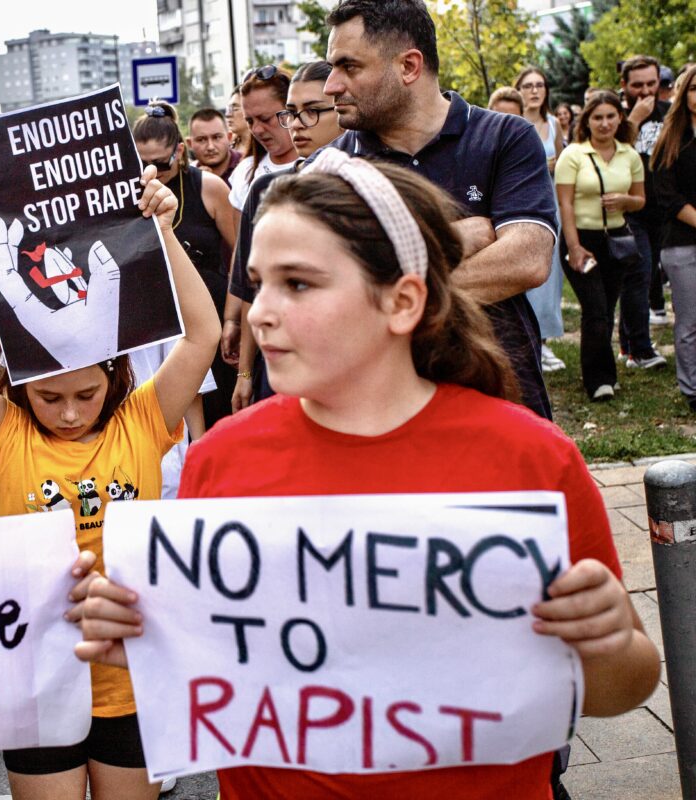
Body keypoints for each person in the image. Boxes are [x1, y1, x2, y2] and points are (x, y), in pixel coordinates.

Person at [76, 154, 660, 799]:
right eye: (259, 283)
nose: (261, 312)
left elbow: (623, 687)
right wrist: (143, 637)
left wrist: (604, 642)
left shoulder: (529, 458)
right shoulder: (222, 459)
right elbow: (213, 660)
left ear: (401, 301)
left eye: (298, 284)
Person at [0, 164, 220, 800]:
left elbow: (204, 335)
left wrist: (164, 233)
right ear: (21, 387)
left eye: (86, 394)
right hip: (37, 682)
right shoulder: (4, 434)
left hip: (131, 679)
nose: (69, 413)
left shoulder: (143, 419)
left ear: (114, 376)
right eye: (49, 398)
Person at [312, 0, 556, 420]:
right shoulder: (330, 169)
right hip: (382, 408)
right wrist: (456, 237)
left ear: (409, 66)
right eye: (332, 67)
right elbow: (327, 292)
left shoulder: (504, 136)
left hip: (500, 391)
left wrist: (386, 294)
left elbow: (526, 260)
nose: (331, 86)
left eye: (349, 67)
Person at [225, 60, 342, 412]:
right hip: (280, 368)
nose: (297, 124)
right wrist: (245, 372)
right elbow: (252, 289)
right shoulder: (262, 188)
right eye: (291, 113)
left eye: (312, 111)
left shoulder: (374, 186)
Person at [133, 102, 237, 427]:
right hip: (161, 323)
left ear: (179, 151)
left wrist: (233, 318)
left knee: (218, 412)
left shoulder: (209, 187)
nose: (152, 172)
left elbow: (239, 256)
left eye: (160, 163)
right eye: (143, 163)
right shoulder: (130, 194)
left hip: (211, 314)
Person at [556, 91, 646, 401]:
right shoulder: (574, 155)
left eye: (610, 116)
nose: (604, 123)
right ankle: (598, 381)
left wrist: (625, 200)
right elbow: (565, 204)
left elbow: (640, 200)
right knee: (594, 310)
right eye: (597, 117)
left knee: (606, 309)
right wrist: (574, 246)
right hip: (581, 238)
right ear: (587, 121)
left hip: (616, 240)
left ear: (620, 118)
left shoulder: (629, 155)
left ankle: (602, 371)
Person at [515, 67, 569, 373]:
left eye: (539, 85)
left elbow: (562, 164)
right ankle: (524, 340)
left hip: (549, 204)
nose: (534, 91)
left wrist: (553, 165)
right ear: (519, 90)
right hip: (521, 203)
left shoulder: (553, 124)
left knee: (549, 277)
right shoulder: (512, 121)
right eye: (528, 86)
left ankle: (544, 341)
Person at [651, 66, 696, 410]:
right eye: (694, 88)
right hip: (682, 243)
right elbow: (667, 197)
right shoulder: (671, 140)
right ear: (684, 94)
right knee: (690, 321)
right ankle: (692, 387)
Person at [622, 55, 672, 332]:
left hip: (667, 209)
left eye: (652, 83)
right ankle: (636, 346)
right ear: (624, 85)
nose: (645, 91)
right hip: (631, 210)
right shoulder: (614, 115)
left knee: (653, 275)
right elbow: (611, 154)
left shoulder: (670, 113)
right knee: (638, 277)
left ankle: (632, 344)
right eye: (637, 85)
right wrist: (634, 119)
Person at [227, 66, 300, 211]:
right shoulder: (245, 172)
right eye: (249, 121)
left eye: (265, 119)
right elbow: (238, 226)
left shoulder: (324, 163)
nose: (256, 130)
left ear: (291, 111)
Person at [186, 108, 242, 184]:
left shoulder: (249, 168)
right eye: (201, 140)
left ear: (229, 137)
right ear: (189, 144)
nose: (210, 147)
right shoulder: (186, 178)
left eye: (217, 137)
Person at [225, 90, 252, 157]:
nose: (228, 115)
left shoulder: (266, 147)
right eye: (228, 109)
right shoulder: (227, 148)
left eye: (235, 109)